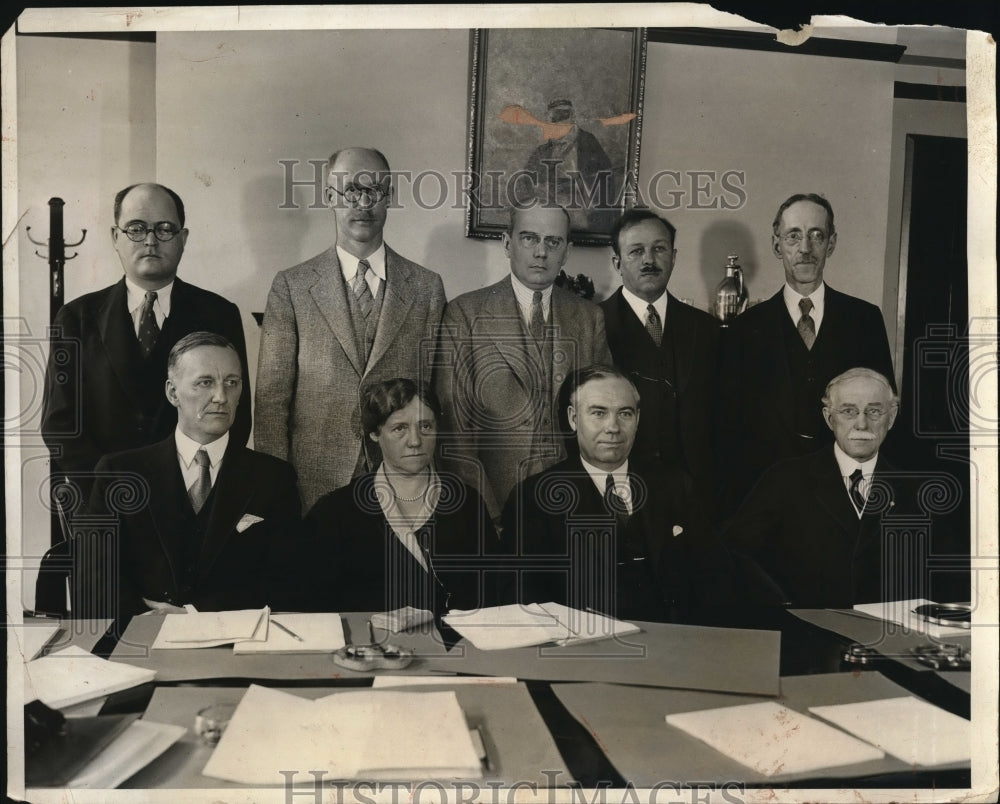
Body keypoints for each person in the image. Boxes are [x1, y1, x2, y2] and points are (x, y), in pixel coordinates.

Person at [255, 147, 446, 510]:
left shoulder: (426, 288)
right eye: (351, 190)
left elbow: (438, 395)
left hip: (402, 484)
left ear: (389, 198)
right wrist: (273, 490)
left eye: (375, 191)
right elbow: (271, 403)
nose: (363, 203)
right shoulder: (292, 287)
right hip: (313, 484)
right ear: (330, 197)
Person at [41, 183, 250, 509]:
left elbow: (236, 414)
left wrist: (198, 487)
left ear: (183, 239)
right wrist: (107, 489)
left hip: (192, 503)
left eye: (165, 229)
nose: (150, 240)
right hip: (103, 502)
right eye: (136, 229)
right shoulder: (76, 317)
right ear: (115, 237)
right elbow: (60, 425)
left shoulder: (219, 314)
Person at [87, 332, 301, 618]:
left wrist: (194, 615)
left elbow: (287, 581)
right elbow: (94, 576)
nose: (221, 397)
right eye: (205, 383)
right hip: (141, 640)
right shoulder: (118, 474)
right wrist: (143, 618)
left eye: (232, 383)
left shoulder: (274, 478)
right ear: (172, 392)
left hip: (233, 644)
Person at [722, 368, 965, 608]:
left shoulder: (920, 493)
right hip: (807, 635)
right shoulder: (785, 479)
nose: (862, 424)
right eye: (849, 411)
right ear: (830, 418)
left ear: (891, 418)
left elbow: (948, 580)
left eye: (874, 411)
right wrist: (781, 605)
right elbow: (736, 554)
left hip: (888, 639)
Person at [501, 365, 725, 623]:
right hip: (585, 651)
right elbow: (522, 596)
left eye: (625, 414)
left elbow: (715, 577)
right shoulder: (534, 498)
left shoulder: (675, 485)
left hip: (675, 646)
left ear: (638, 419)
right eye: (598, 413)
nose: (613, 427)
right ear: (573, 419)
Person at [435, 199, 613, 521]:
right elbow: (455, 433)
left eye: (553, 241)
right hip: (493, 504)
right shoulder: (465, 314)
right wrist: (486, 515)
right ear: (507, 243)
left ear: (567, 251)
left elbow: (603, 419)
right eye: (529, 238)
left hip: (571, 506)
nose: (541, 252)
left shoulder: (589, 319)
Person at [718, 193, 895, 513]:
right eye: (794, 236)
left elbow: (883, 412)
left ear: (832, 243)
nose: (805, 248)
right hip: (767, 496)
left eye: (817, 235)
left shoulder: (864, 319)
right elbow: (729, 428)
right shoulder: (745, 329)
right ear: (777, 245)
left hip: (844, 493)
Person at [304, 378, 495, 617]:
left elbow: (494, 592)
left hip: (458, 646)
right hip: (370, 647)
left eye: (425, 426)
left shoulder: (466, 502)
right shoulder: (335, 511)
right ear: (375, 433)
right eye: (400, 428)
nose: (415, 441)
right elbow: (315, 604)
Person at [600, 209, 720, 490]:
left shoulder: (706, 329)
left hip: (696, 492)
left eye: (659, 249)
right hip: (621, 487)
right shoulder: (594, 324)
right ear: (617, 262)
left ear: (674, 257)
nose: (649, 260)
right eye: (636, 251)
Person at [523, 99, 615, 231]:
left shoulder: (588, 142)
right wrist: (540, 186)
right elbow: (529, 175)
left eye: (559, 120)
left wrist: (580, 184)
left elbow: (604, 178)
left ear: (570, 119)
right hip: (551, 208)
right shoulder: (544, 150)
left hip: (579, 207)